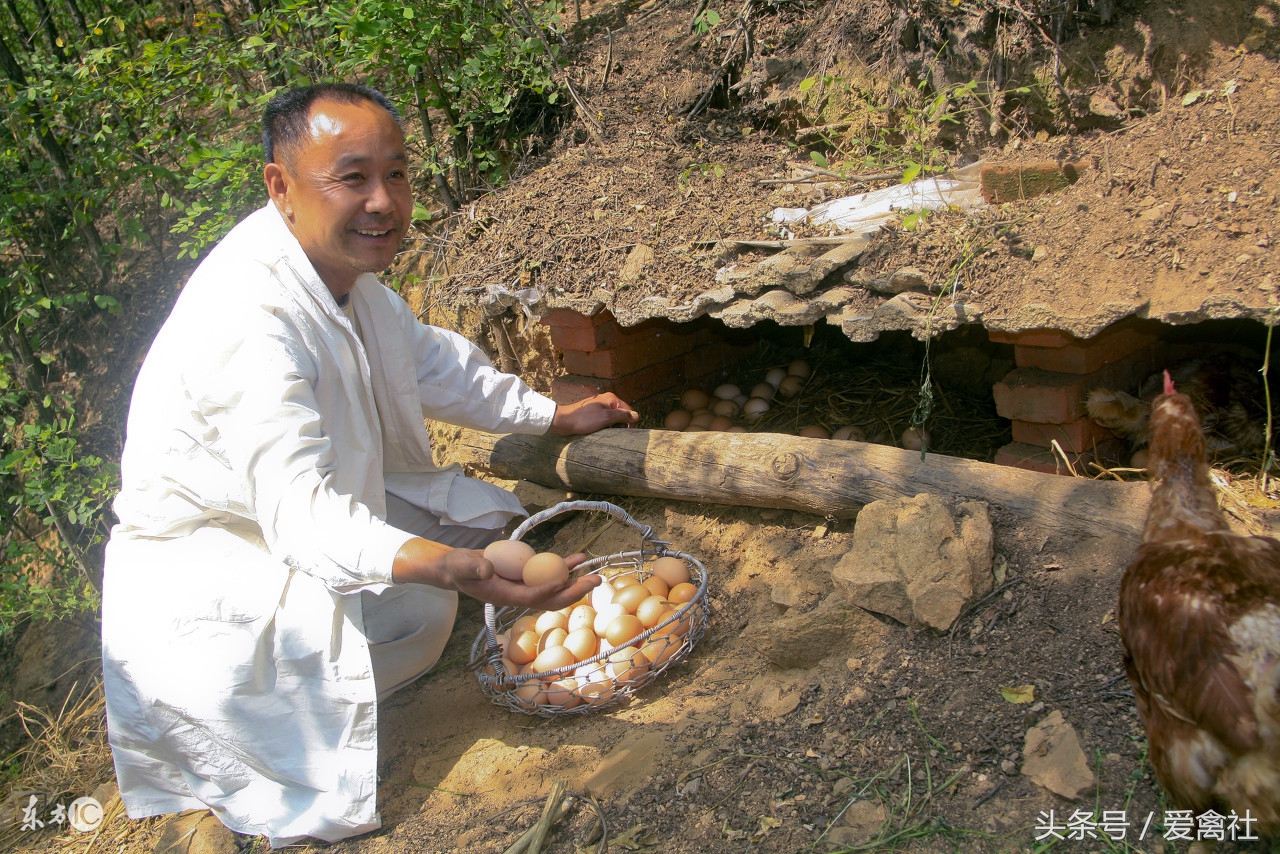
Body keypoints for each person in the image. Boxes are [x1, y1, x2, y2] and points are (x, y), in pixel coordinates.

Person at [100, 83, 637, 847]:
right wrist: (452, 568)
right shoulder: (250, 321)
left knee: (462, 549)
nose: (384, 201)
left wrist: (549, 414)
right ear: (280, 186)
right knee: (421, 608)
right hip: (221, 562)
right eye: (352, 178)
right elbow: (298, 512)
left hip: (301, 515)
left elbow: (432, 364)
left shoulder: (345, 279)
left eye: (398, 173)